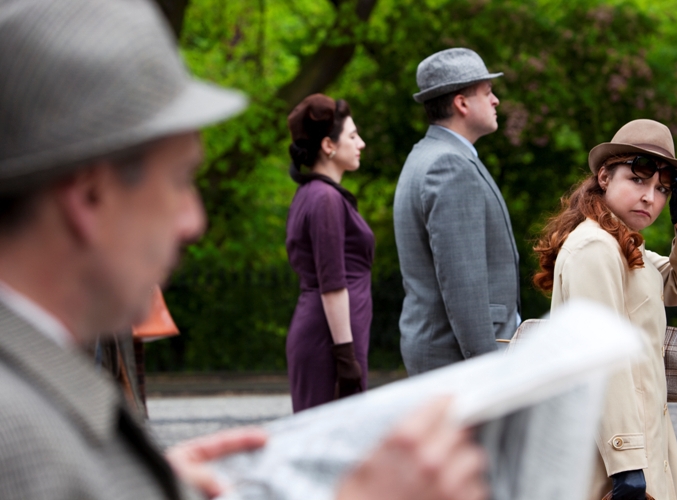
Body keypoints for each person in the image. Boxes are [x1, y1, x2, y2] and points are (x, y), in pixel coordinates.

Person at [0, 1, 488, 499]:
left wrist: (155, 484)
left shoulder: (39, 392)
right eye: (179, 179)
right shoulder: (20, 437)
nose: (193, 221)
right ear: (89, 197)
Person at [533, 119, 677, 500]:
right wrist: (627, 465)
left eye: (662, 189)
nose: (650, 197)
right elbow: (601, 359)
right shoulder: (595, 248)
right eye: (637, 180)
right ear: (604, 177)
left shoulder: (623, 246)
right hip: (615, 458)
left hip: (641, 443)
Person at [394, 48, 520, 376]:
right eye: (487, 92)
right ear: (462, 103)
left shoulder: (425, 155)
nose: (495, 101)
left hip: (443, 353)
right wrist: (488, 369)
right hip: (457, 360)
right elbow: (464, 284)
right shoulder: (449, 165)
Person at [285, 94, 373, 412]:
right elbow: (332, 282)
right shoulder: (325, 199)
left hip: (332, 337)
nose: (361, 143)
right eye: (353, 136)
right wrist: (345, 356)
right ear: (328, 145)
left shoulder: (314, 193)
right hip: (331, 341)